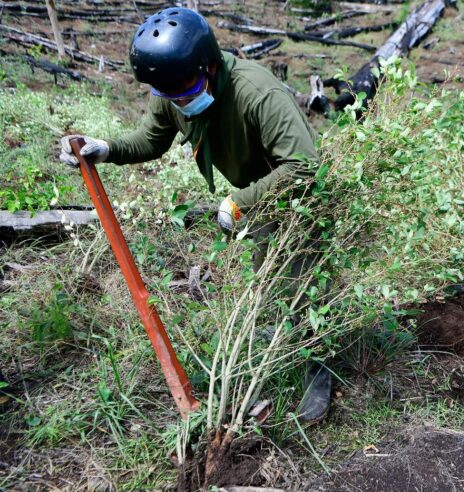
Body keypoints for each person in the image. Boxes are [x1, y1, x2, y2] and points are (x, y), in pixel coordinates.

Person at [58, 8, 330, 422]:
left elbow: (304, 167)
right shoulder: (173, 86)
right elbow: (151, 139)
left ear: (210, 63)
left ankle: (320, 367)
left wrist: (238, 201)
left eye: (186, 90)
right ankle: (288, 332)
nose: (181, 102)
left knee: (305, 280)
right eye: (170, 95)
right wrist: (108, 148)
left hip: (298, 194)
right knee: (271, 277)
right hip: (258, 194)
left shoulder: (257, 93)